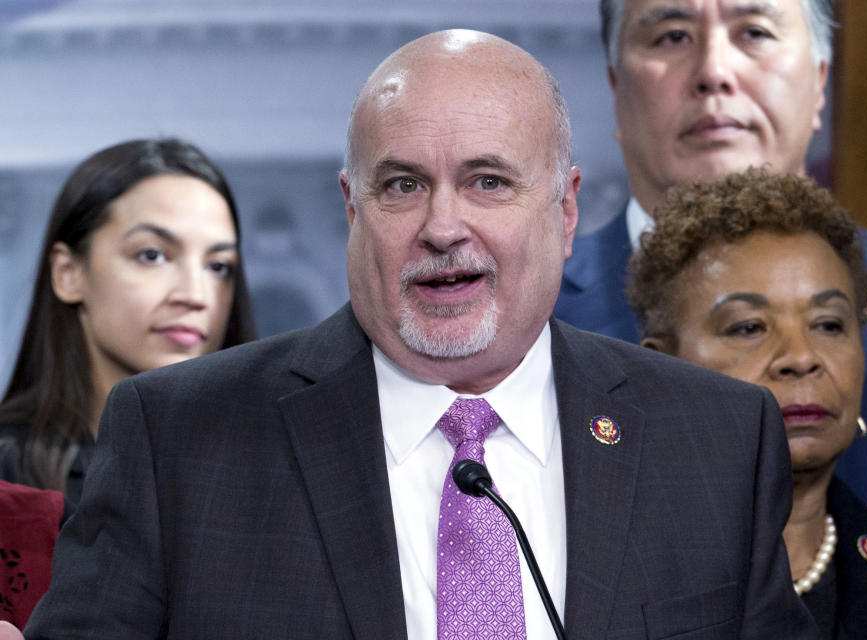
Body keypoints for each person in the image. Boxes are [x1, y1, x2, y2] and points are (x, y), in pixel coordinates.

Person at [19, 31, 818, 639]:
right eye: (402, 186)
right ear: (352, 209)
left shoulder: (717, 440)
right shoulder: (179, 439)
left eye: (488, 181)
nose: (444, 227)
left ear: (566, 210)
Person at [555, 0, 867, 544]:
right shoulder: (528, 323)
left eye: (754, 31)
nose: (714, 73)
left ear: (820, 81)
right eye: (672, 37)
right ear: (615, 87)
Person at [627, 169, 867, 639]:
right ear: (658, 369)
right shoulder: (585, 585)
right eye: (748, 327)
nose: (801, 358)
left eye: (829, 324)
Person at [0, 138, 257, 510]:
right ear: (68, 273)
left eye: (218, 267)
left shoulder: (271, 471)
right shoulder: (9, 476)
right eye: (152, 255)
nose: (195, 295)